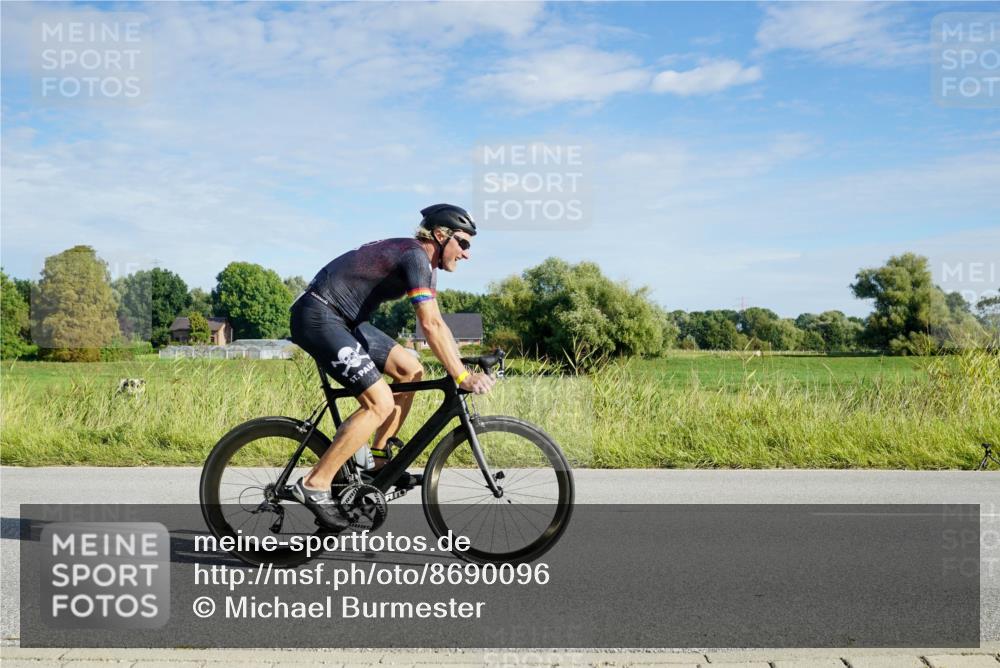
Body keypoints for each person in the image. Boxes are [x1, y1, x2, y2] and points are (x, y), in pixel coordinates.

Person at [288, 203, 495, 530]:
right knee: (380, 402)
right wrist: (463, 376)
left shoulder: (427, 266)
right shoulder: (414, 256)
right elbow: (429, 326)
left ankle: (379, 456)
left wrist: (462, 362)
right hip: (319, 316)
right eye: (464, 243)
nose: (466, 253)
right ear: (441, 236)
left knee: (411, 369)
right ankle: (315, 483)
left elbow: (439, 322)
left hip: (345, 320)